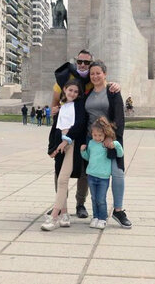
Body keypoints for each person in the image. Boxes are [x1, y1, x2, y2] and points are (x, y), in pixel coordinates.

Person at [51, 50, 120, 219]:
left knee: (84, 170)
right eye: (79, 61)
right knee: (60, 171)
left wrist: (116, 85)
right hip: (65, 134)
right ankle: (60, 205)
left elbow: (102, 84)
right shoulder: (62, 81)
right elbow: (54, 107)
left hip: (85, 133)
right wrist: (54, 111)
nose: (82, 65)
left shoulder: (91, 80)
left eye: (86, 63)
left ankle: (80, 204)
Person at [84, 60, 131, 228]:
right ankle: (98, 213)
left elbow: (119, 116)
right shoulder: (87, 92)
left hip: (110, 140)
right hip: (92, 140)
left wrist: (113, 138)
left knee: (117, 173)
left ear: (105, 74)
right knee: (96, 175)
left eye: (98, 73)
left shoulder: (112, 91)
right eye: (92, 73)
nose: (95, 76)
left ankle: (118, 210)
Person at [42, 80, 85, 231]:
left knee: (62, 179)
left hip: (71, 144)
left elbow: (80, 124)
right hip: (59, 145)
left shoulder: (79, 106)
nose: (72, 93)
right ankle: (65, 214)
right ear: (65, 90)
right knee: (61, 179)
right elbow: (55, 129)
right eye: (70, 90)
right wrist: (51, 148)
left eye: (76, 91)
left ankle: (54, 216)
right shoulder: (60, 107)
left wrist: (66, 142)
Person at [81, 117, 123, 230]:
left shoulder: (107, 144)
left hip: (103, 177)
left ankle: (102, 218)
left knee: (101, 198)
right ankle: (95, 217)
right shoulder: (91, 143)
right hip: (91, 175)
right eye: (95, 135)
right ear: (92, 134)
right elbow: (88, 157)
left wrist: (116, 145)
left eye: (100, 135)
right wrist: (82, 151)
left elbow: (120, 154)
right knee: (94, 198)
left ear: (105, 134)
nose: (97, 138)